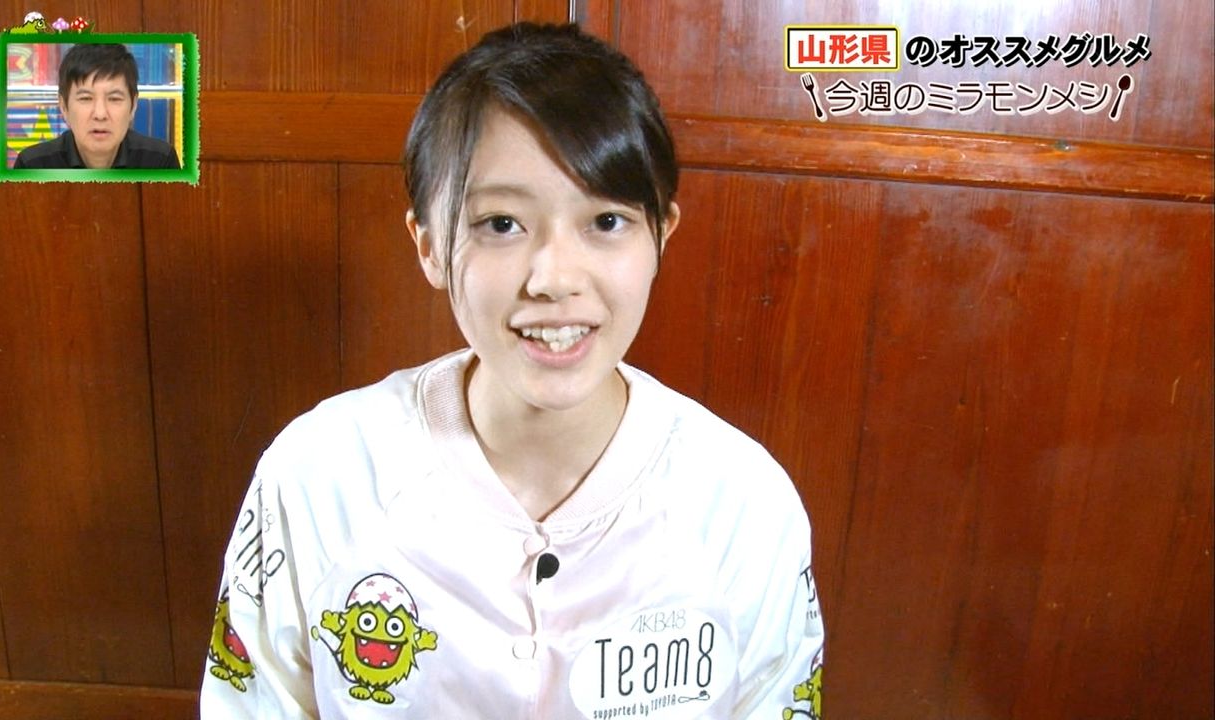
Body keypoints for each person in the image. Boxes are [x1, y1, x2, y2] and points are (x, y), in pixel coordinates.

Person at [201, 22, 823, 719]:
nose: (555, 279)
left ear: (661, 235)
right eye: (501, 224)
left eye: (606, 222)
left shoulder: (744, 506)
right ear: (429, 246)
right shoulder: (320, 476)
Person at [13, 43, 180, 170]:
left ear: (133, 105)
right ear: (64, 107)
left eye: (114, 99)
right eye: (86, 98)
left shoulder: (160, 161)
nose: (100, 114)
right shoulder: (33, 165)